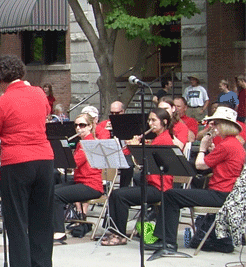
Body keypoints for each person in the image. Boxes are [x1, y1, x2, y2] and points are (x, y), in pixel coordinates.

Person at [0, 55, 54, 267]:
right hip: (44, 159)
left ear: (0, 79)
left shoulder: (2, 102)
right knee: (41, 218)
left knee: (17, 221)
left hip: (17, 162)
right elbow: (44, 114)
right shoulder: (39, 93)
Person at [149, 106, 245, 251]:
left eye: (215, 123)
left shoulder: (226, 145)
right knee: (172, 195)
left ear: (224, 125)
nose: (212, 127)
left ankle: (167, 241)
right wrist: (213, 151)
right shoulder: (234, 143)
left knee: (171, 195)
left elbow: (200, 165)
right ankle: (165, 239)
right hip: (227, 193)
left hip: (221, 194)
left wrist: (202, 148)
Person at [102, 108, 176, 246]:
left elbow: (146, 163)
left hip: (160, 187)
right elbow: (142, 164)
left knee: (120, 196)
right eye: (149, 120)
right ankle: (114, 231)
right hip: (152, 185)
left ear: (164, 122)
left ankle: (119, 234)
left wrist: (135, 148)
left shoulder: (163, 140)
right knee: (117, 194)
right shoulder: (158, 138)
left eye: (154, 120)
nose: (150, 123)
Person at [51, 113, 104, 242]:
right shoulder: (82, 142)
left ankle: (59, 232)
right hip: (80, 181)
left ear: (90, 126)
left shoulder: (89, 143)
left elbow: (74, 163)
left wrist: (60, 155)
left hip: (91, 185)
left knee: (55, 195)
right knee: (50, 190)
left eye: (82, 125)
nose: (78, 128)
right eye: (76, 125)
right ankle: (51, 227)